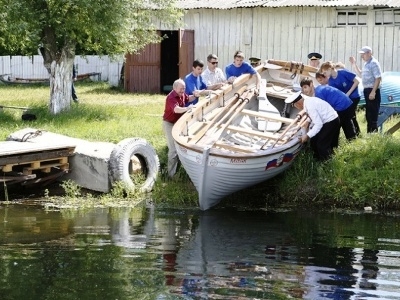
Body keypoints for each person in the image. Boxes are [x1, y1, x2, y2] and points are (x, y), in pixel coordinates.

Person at [285, 91, 340, 161]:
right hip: (330, 119)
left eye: (295, 106)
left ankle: (326, 163)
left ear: (298, 104)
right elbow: (315, 114)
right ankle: (317, 158)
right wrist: (308, 121)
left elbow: (318, 124)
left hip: (330, 121)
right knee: (314, 140)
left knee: (322, 144)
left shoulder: (309, 105)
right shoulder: (308, 101)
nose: (297, 108)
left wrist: (307, 135)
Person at [300, 77, 357, 142]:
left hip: (341, 105)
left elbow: (324, 110)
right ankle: (352, 142)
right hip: (345, 102)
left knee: (335, 127)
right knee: (346, 125)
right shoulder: (318, 89)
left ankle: (335, 147)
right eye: (302, 88)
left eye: (305, 87)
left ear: (311, 84)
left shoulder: (318, 94)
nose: (304, 90)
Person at [162, 79, 196, 178]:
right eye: (181, 89)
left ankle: (179, 171)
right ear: (175, 88)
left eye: (184, 88)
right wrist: (188, 108)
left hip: (178, 124)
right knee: (173, 149)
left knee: (181, 146)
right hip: (169, 124)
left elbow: (188, 99)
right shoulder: (171, 97)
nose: (183, 90)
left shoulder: (182, 94)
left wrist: (196, 95)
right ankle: (170, 175)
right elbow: (176, 110)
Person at [320, 61, 361, 135]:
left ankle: (352, 136)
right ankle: (357, 134)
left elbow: (357, 81)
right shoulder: (331, 81)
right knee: (350, 116)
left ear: (329, 69)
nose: (324, 74)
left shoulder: (343, 72)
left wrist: (348, 93)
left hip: (354, 96)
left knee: (347, 116)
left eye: (325, 72)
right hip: (345, 100)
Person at [349, 46, 382, 133]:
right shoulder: (366, 64)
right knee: (369, 114)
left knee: (372, 114)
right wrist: (354, 64)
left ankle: (373, 134)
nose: (362, 56)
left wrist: (373, 92)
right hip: (367, 90)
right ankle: (370, 133)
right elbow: (361, 74)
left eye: (363, 54)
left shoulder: (373, 63)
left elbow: (378, 78)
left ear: (369, 53)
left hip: (372, 90)